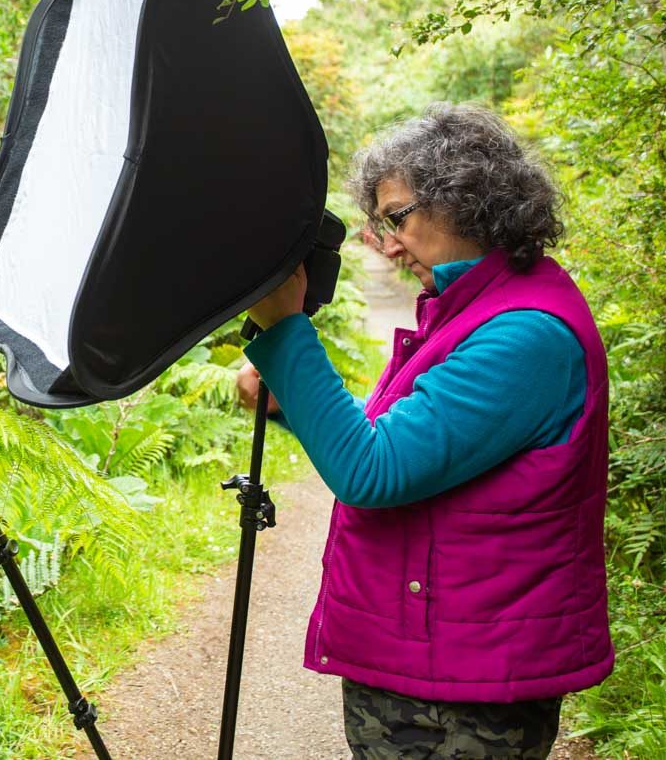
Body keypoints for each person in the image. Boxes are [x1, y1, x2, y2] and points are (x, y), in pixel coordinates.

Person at [236, 104, 613, 759]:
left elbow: (371, 469)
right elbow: (403, 444)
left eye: (397, 217)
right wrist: (285, 402)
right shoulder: (479, 311)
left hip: (462, 690)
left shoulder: (522, 334)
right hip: (444, 665)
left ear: (468, 199)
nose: (388, 244)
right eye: (381, 224)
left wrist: (286, 328)